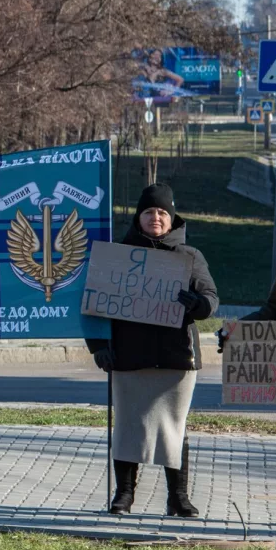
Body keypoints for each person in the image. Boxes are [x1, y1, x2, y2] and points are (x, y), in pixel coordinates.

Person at [87, 182, 216, 517]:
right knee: (129, 425)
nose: (155, 218)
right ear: (138, 217)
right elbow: (93, 307)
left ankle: (178, 497)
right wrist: (99, 347)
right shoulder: (117, 255)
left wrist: (197, 303)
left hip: (176, 358)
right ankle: (124, 495)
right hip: (129, 357)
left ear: (172, 218)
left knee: (173, 428)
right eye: (149, 212)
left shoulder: (190, 257)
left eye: (162, 212)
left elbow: (211, 301)